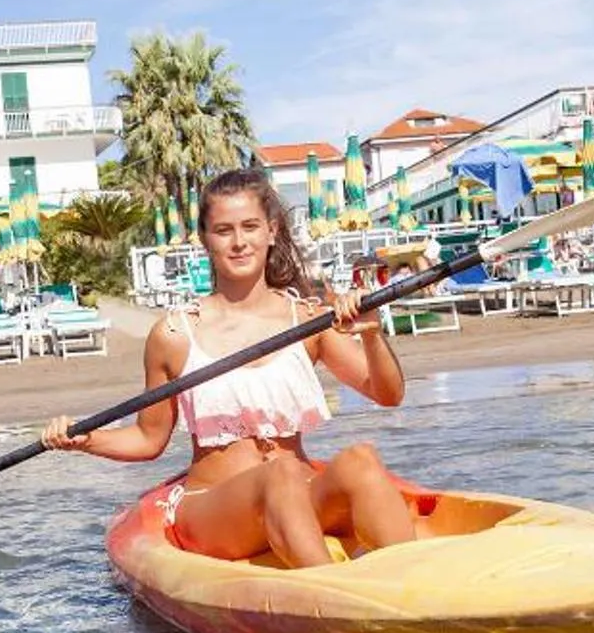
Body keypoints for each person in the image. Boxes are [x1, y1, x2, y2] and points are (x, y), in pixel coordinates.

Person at [41, 165, 414, 567]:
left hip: (297, 490)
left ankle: (420, 584)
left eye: (250, 227)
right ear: (205, 240)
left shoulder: (309, 319)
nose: (239, 242)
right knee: (280, 475)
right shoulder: (174, 333)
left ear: (271, 232)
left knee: (361, 459)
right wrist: (85, 439)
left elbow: (388, 394)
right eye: (224, 230)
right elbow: (149, 440)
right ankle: (337, 597)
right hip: (213, 509)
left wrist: (372, 334)